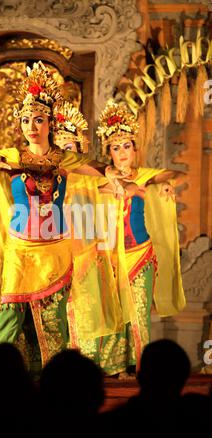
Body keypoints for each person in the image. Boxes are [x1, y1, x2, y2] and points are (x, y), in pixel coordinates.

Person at [0, 61, 109, 375]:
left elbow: (100, 172)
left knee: (53, 322)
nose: (31, 126)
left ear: (50, 123)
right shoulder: (12, 156)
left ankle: (51, 380)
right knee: (10, 314)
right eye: (26, 120)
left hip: (54, 248)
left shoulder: (65, 158)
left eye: (38, 119)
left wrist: (118, 182)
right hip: (20, 250)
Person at [68, 99, 186, 378]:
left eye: (127, 146)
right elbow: (76, 183)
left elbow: (176, 175)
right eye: (115, 147)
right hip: (108, 258)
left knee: (139, 314)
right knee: (114, 315)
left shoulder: (144, 176)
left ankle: (141, 370)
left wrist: (150, 187)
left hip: (140, 255)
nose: (122, 152)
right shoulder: (100, 178)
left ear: (135, 149)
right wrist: (112, 182)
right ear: (109, 152)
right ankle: (114, 368)